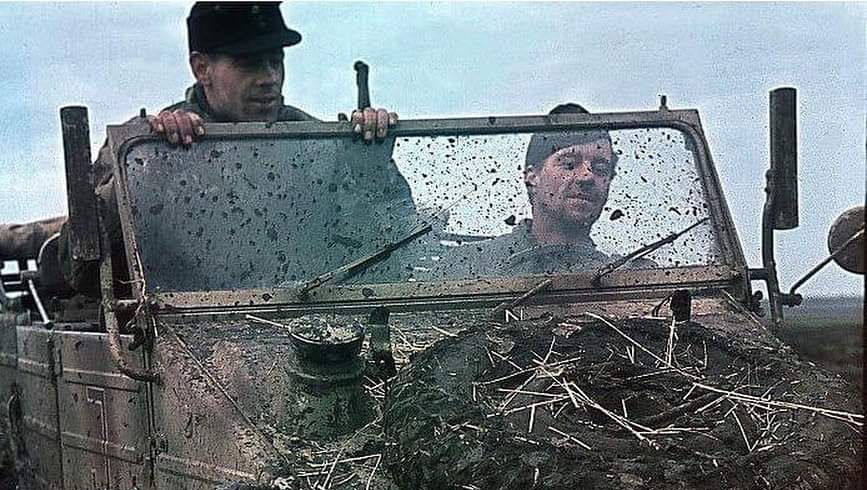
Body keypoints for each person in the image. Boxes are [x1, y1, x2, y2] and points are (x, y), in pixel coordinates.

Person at [2, 2, 402, 293]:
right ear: (201, 68)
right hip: (185, 342)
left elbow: (391, 245)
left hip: (305, 330)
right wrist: (147, 172)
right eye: (249, 64)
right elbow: (79, 269)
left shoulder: (315, 142)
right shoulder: (141, 147)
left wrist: (371, 164)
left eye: (275, 61)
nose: (269, 78)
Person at [444, 104, 620, 277]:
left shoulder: (622, 276)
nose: (587, 176)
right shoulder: (466, 266)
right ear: (533, 176)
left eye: (601, 169)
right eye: (569, 164)